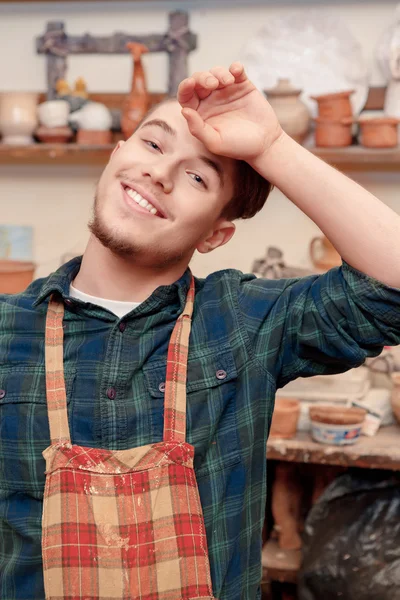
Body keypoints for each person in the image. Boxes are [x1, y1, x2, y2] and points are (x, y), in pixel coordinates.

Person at [1, 62, 400, 600]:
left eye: (197, 177)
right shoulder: (8, 331)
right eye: (152, 145)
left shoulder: (243, 321)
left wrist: (273, 144)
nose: (159, 174)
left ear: (216, 234)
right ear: (117, 153)